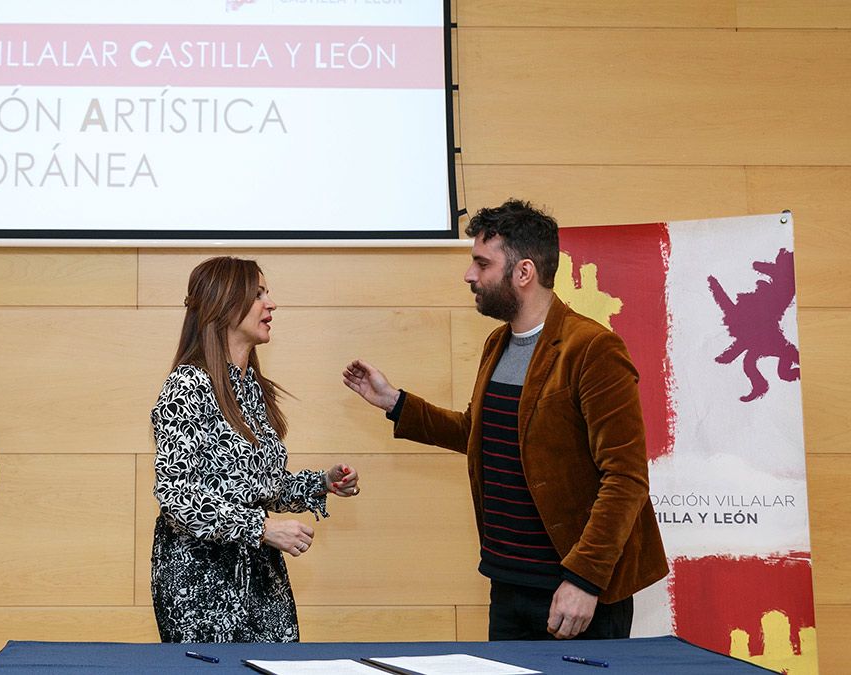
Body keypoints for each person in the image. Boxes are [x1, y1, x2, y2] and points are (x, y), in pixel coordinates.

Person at [344, 200, 667, 641]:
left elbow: (625, 477)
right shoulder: (498, 343)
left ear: (524, 272)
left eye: (482, 263)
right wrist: (396, 402)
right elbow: (480, 434)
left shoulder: (592, 349)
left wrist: (585, 579)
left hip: (572, 595)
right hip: (507, 584)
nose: (469, 275)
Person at [151, 256, 361, 643]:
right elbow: (175, 494)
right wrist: (261, 528)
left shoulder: (251, 387)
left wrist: (322, 483)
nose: (271, 304)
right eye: (259, 294)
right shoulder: (188, 386)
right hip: (201, 581)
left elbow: (262, 487)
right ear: (226, 305)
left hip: (261, 574)